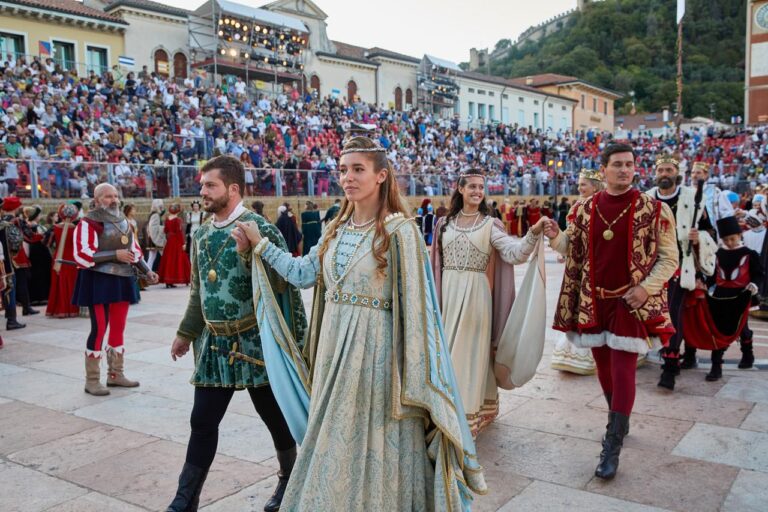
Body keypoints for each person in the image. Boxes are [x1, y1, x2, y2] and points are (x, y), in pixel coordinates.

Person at [233, 136, 486, 510]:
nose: (347, 177)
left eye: (357, 169)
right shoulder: (336, 230)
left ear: (381, 175)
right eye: (342, 170)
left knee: (378, 436)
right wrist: (261, 246)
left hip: (378, 357)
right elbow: (302, 274)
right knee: (335, 436)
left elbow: (418, 312)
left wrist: (412, 372)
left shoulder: (402, 232)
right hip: (334, 351)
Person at [167, 155, 307, 512]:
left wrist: (249, 254)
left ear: (232, 188)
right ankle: (185, 500)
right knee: (202, 421)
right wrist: (186, 332)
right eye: (202, 185)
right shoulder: (199, 234)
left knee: (275, 419)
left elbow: (282, 284)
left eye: (209, 185)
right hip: (215, 346)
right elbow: (199, 291)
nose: (202, 192)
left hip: (256, 344)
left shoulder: (262, 228)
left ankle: (289, 483)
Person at [544, 143, 678, 480]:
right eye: (617, 164)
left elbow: (669, 258)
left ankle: (612, 443)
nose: (624, 170)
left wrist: (645, 288)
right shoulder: (584, 209)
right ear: (603, 169)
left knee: (623, 369)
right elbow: (570, 249)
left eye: (629, 164)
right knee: (603, 367)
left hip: (629, 303)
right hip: (595, 299)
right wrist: (554, 235)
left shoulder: (653, 209)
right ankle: (619, 415)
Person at [431, 168, 545, 436]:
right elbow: (435, 267)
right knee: (447, 356)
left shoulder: (489, 225)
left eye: (481, 187)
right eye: (471, 186)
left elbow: (513, 252)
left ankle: (465, 418)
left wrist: (532, 235)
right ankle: (447, 411)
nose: (477, 192)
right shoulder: (443, 225)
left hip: (476, 300)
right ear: (460, 189)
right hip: (448, 296)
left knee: (468, 358)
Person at [72, 184, 159, 396]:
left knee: (118, 327)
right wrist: (114, 255)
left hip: (122, 279)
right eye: (108, 196)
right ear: (97, 199)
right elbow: (81, 255)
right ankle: (92, 381)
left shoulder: (124, 222)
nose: (114, 200)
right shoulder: (87, 223)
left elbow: (134, 251)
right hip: (98, 280)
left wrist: (147, 271)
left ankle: (115, 375)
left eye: (115, 196)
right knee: (99, 328)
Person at [645, 154, 717, 390]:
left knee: (673, 311)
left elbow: (710, 232)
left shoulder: (692, 197)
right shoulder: (647, 198)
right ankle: (659, 354)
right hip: (651, 264)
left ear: (677, 174)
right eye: (661, 170)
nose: (664, 174)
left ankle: (670, 364)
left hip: (679, 262)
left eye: (668, 170)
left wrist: (699, 238)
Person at [550, 169, 604, 375]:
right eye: (579, 184)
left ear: (596, 186)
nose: (579, 188)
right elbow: (569, 241)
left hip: (602, 266)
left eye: (584, 185)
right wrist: (557, 237)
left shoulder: (606, 206)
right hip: (581, 267)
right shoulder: (578, 207)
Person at [698, 216, 763, 381]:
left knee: (742, 328)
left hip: (742, 295)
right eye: (726, 239)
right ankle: (716, 365)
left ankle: (748, 355)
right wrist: (705, 283)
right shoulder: (718, 254)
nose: (730, 242)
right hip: (720, 296)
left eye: (732, 238)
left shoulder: (749, 254)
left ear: (740, 235)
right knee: (718, 329)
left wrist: (754, 285)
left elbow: (758, 274)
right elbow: (712, 275)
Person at [1, 197, 37, 316]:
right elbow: (29, 236)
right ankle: (26, 308)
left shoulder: (2, 220)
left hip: (5, 257)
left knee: (7, 285)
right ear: (15, 208)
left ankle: (8, 312)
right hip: (18, 255)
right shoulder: (18, 221)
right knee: (22, 282)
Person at [45, 203, 81, 318]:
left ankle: (57, 310)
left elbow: (47, 243)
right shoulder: (76, 229)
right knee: (72, 283)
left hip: (58, 258)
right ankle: (72, 309)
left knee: (57, 283)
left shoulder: (54, 228)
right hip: (72, 259)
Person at [0, 198, 24, 330]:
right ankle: (11, 320)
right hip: (5, 264)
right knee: (9, 290)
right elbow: (16, 241)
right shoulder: (6, 225)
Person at [21, 205, 51, 305]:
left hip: (33, 254)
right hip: (39, 254)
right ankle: (41, 296)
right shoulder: (36, 227)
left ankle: (34, 297)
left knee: (34, 276)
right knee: (41, 275)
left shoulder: (25, 226)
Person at [158, 203, 191, 288]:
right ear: (178, 210)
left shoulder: (167, 219)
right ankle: (179, 279)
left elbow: (165, 230)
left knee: (169, 259)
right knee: (179, 259)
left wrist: (169, 235)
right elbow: (179, 232)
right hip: (176, 241)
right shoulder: (178, 220)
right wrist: (183, 243)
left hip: (169, 241)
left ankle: (168, 281)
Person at [145, 199, 166, 271]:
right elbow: (152, 228)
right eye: (160, 207)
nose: (162, 208)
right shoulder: (155, 215)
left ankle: (147, 271)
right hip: (155, 239)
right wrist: (164, 228)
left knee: (152, 256)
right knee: (154, 256)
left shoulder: (154, 214)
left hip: (153, 238)